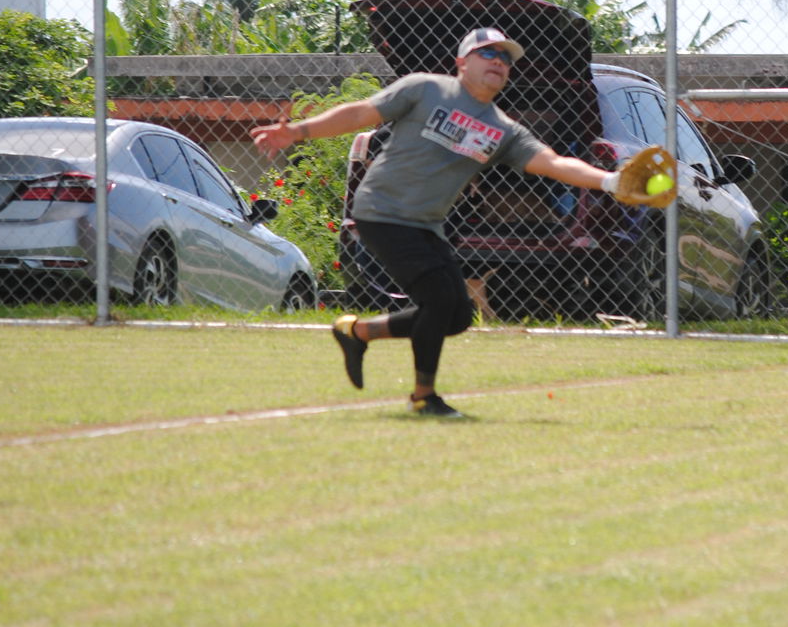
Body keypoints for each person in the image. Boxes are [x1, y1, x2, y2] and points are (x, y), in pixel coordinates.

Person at [251, 27, 647, 419]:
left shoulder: (503, 129)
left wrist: (611, 180)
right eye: (488, 53)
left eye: (506, 58)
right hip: (382, 211)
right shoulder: (424, 89)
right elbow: (360, 113)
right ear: (462, 62)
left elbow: (555, 164)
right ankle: (424, 396)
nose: (499, 62)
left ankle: (356, 333)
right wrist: (298, 132)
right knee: (439, 300)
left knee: (456, 315)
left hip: (427, 226)